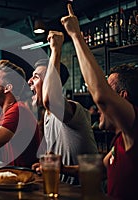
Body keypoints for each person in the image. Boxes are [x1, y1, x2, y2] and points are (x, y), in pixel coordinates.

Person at [61, 3, 138, 199]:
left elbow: (101, 96)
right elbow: (101, 169)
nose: (98, 105)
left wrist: (76, 35)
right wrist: (61, 168)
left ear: (123, 99)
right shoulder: (121, 139)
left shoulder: (134, 129)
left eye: (109, 90)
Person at [29, 31, 98, 184]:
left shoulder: (72, 111)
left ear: (50, 83)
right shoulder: (47, 115)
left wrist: (56, 49)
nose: (29, 81)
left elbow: (51, 100)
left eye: (35, 77)